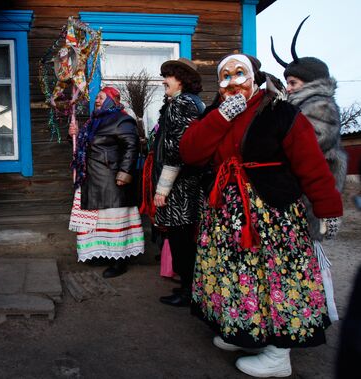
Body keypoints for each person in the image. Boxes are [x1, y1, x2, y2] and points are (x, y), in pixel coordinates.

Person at [180, 53, 343, 377]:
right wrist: (221, 117)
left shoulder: (279, 111)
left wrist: (328, 209)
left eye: (239, 74)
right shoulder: (217, 111)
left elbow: (311, 163)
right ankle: (245, 332)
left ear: (255, 76)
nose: (232, 82)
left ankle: (278, 354)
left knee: (274, 279)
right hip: (227, 214)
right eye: (224, 77)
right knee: (237, 277)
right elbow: (191, 152)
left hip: (272, 215)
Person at [271, 16, 348, 323]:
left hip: (308, 196)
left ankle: (309, 319)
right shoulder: (301, 105)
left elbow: (306, 148)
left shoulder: (318, 106)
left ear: (310, 82)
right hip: (300, 193)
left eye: (292, 83)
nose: (288, 88)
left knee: (303, 261)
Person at [68, 86, 144, 278]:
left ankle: (120, 261)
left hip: (112, 179)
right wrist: (74, 136)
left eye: (102, 98)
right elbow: (86, 148)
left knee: (114, 220)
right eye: (96, 99)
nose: (98, 101)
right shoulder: (93, 122)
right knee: (98, 221)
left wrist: (125, 172)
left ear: (112, 100)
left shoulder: (122, 120)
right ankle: (104, 254)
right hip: (93, 179)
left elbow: (131, 146)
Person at [147, 58, 205, 307]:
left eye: (167, 76)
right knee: (182, 238)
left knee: (182, 240)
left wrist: (163, 187)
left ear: (181, 78)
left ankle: (189, 291)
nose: (163, 81)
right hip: (184, 183)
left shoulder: (182, 103)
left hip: (180, 187)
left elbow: (178, 149)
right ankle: (188, 288)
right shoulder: (186, 102)